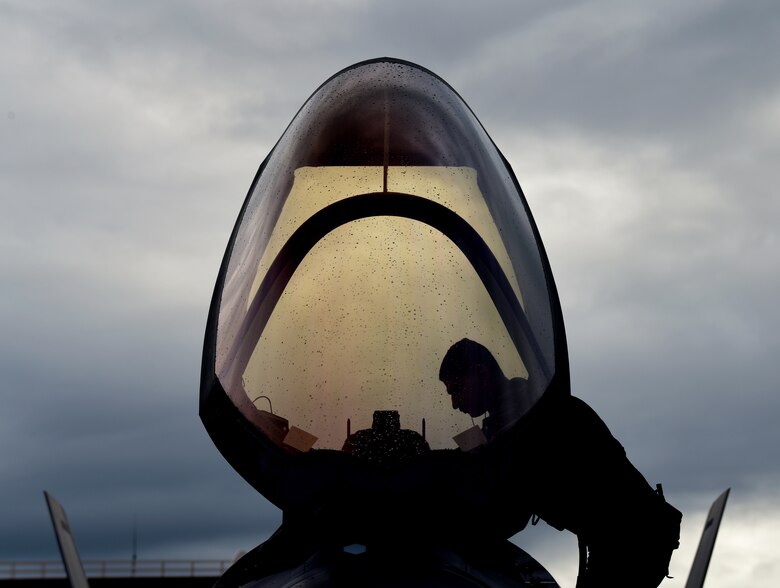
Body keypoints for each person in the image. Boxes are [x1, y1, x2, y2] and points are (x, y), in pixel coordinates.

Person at [439, 338, 682, 588]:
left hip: (633, 540)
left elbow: (508, 510)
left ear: (481, 373)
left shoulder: (529, 417)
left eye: (457, 389)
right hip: (623, 539)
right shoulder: (520, 411)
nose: (455, 403)